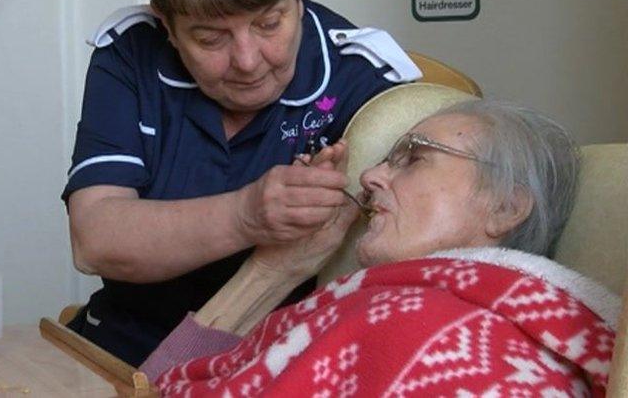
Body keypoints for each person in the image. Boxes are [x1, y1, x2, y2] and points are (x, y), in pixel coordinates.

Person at [62, 0, 421, 365]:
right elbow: (95, 240)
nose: (249, 61)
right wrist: (249, 215)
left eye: (270, 22)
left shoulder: (366, 77)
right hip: (124, 346)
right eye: (210, 38)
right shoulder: (130, 53)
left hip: (295, 357)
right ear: (165, 21)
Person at [139, 99, 619, 396]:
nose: (369, 177)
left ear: (506, 208)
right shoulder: (387, 305)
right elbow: (149, 387)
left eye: (414, 157)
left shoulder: (437, 328)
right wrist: (277, 269)